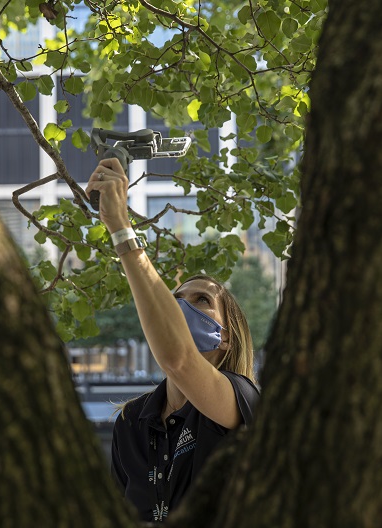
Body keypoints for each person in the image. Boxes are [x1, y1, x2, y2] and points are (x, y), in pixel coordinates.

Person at [86, 158, 261, 523]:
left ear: (227, 339)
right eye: (175, 299)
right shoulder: (131, 421)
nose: (182, 307)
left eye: (202, 301)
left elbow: (178, 360)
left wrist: (120, 227)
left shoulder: (240, 397)